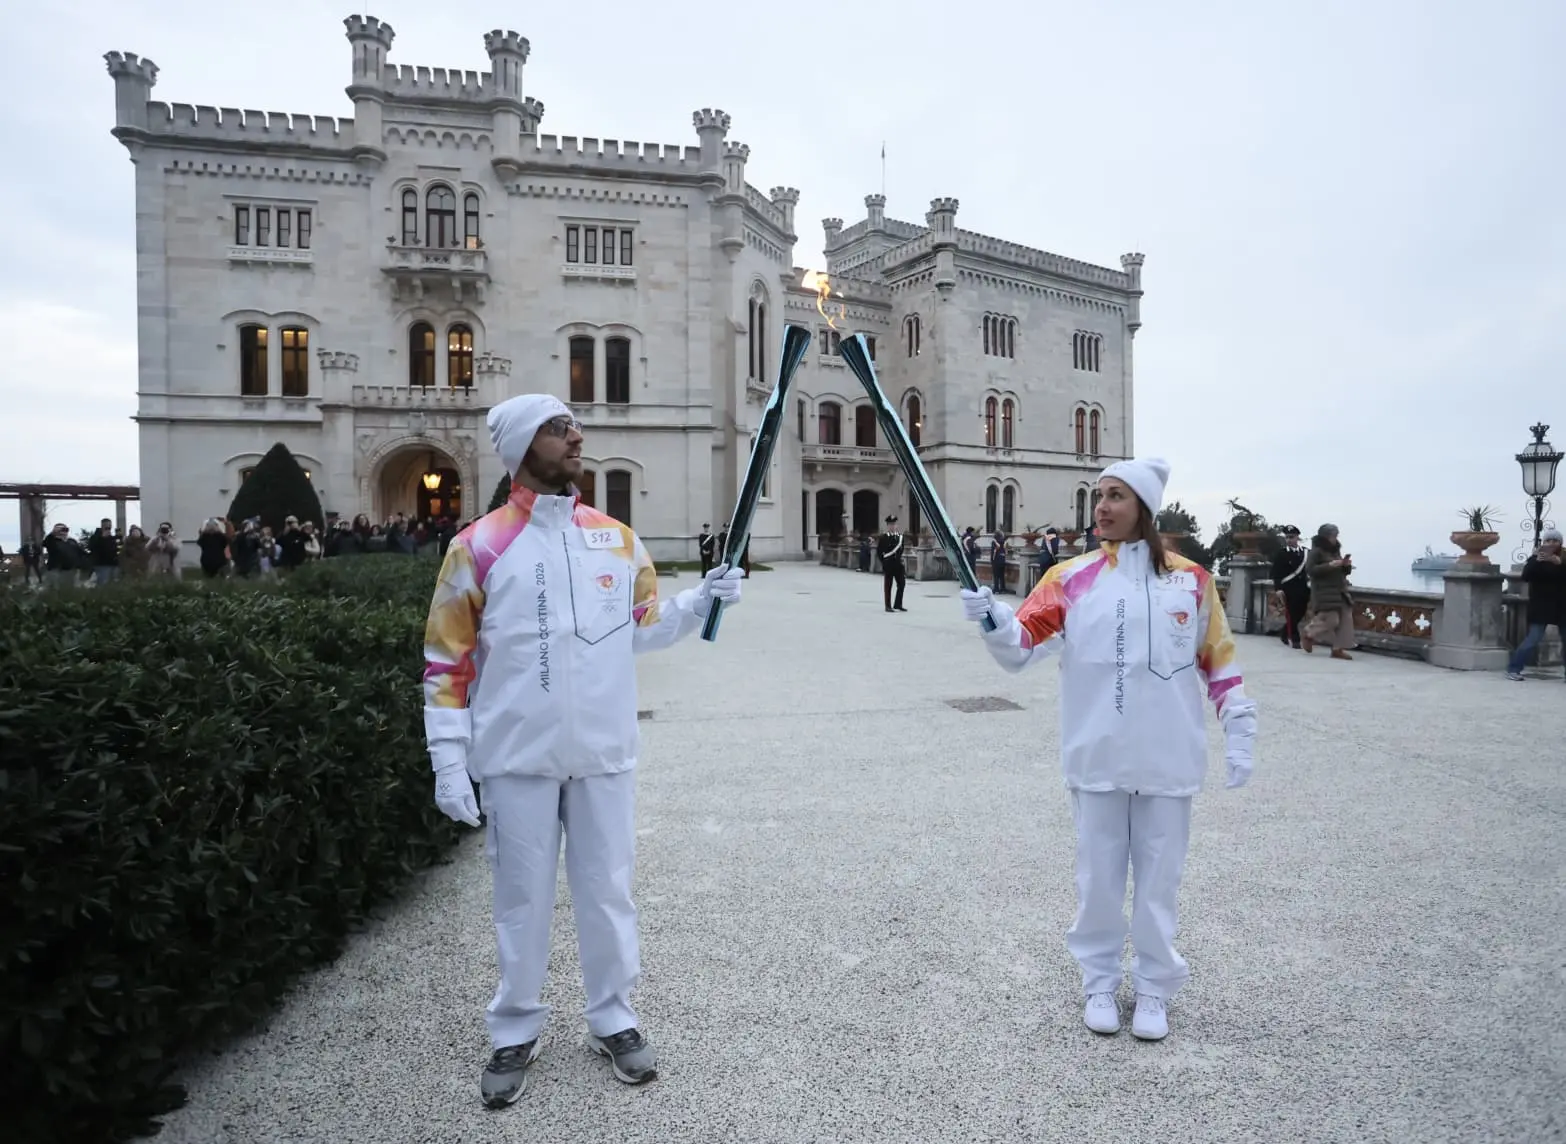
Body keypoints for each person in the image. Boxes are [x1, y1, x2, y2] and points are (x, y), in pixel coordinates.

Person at [423, 392, 744, 1109]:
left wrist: (699, 601)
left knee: (607, 893)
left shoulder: (616, 539)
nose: (575, 435)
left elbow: (645, 627)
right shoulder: (477, 546)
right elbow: (446, 661)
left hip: (603, 751)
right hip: (517, 757)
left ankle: (613, 1018)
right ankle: (515, 1028)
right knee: (521, 900)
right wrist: (448, 759)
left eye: (572, 424)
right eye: (555, 428)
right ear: (519, 449)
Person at [957, 457, 1257, 1041]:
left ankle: (1153, 988)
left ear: (1143, 507)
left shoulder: (1191, 581)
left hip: (1169, 758)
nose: (1102, 506)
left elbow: (1218, 660)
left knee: (1159, 883)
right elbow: (1021, 647)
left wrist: (1240, 729)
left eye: (1116, 495)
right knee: (1098, 881)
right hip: (1097, 755)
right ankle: (1098, 981)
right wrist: (991, 619)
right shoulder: (1070, 577)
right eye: (1100, 495)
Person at [1506, 527, 1565, 681]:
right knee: (1533, 639)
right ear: (1543, 543)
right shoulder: (1535, 558)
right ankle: (1514, 669)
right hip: (1541, 606)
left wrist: (1559, 564)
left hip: (1562, 606)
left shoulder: (1564, 558)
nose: (1551, 543)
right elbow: (1526, 576)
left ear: (1560, 543)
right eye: (1548, 540)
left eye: (1555, 540)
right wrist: (1536, 560)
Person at [1302, 524, 1355, 659]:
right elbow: (1310, 570)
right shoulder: (1316, 551)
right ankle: (1309, 633)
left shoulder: (1335, 550)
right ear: (1326, 536)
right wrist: (1330, 565)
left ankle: (1338, 649)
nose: (1335, 538)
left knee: (1345, 620)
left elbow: (1343, 572)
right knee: (1331, 620)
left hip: (1340, 590)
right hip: (1324, 591)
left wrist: (1345, 566)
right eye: (1333, 535)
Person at [1269, 525, 1310, 649]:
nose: (1289, 540)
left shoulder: (1306, 552)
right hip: (1288, 588)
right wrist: (1278, 588)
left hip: (1303, 588)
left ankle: (1284, 632)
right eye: (1286, 537)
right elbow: (1275, 573)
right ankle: (1295, 638)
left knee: (1301, 612)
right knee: (1291, 613)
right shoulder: (1281, 554)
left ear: (1297, 537)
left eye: (1291, 537)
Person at [878, 514, 907, 612]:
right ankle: (888, 606)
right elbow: (879, 552)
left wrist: (898, 559)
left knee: (902, 584)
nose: (892, 526)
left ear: (896, 525)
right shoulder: (884, 538)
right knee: (888, 586)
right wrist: (884, 562)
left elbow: (901, 549)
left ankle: (898, 604)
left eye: (894, 524)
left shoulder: (900, 537)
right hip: (888, 565)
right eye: (890, 524)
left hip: (898, 564)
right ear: (888, 526)